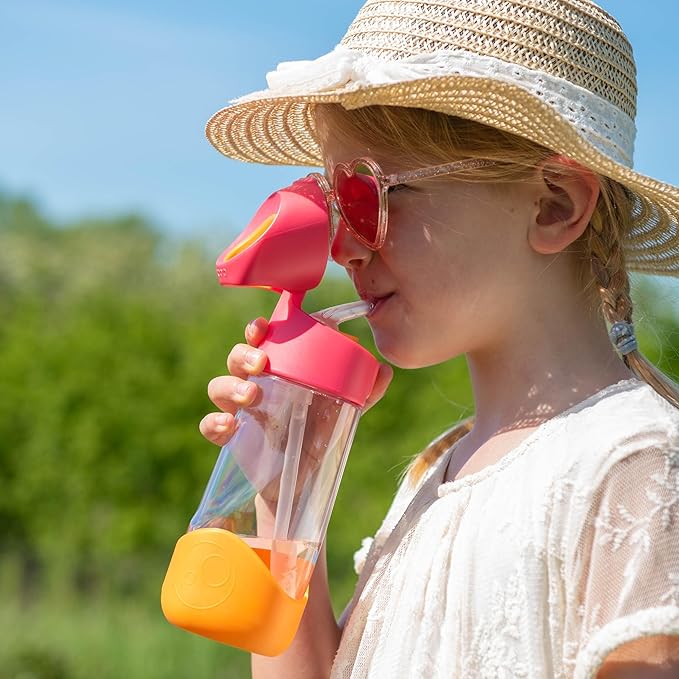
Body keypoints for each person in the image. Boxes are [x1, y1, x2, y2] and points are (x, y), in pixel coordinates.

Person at [198, 1, 679, 677]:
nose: (343, 248)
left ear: (555, 204)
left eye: (367, 197)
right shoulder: (438, 470)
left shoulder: (634, 466)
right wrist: (288, 491)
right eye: (333, 206)